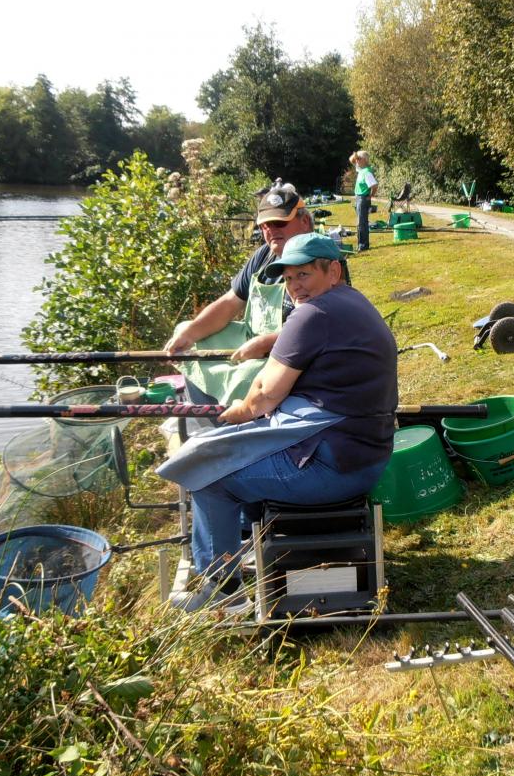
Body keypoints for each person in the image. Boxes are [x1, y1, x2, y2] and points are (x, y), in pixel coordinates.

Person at [157, 233, 397, 609]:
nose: (295, 287)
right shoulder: (351, 301)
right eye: (288, 279)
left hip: (336, 466)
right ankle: (245, 546)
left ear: (333, 271)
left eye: (304, 275)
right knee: (232, 454)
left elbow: (264, 395)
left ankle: (223, 592)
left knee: (209, 475)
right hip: (364, 451)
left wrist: (232, 415)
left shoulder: (313, 315)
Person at [163, 182, 314, 406]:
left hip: (289, 349)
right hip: (251, 336)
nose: (271, 230)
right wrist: (191, 333)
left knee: (247, 376)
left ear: (305, 222)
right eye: (265, 225)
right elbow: (229, 302)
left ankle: (230, 416)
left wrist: (266, 343)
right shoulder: (263, 255)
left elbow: (318, 325)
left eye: (280, 222)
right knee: (185, 333)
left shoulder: (320, 257)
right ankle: (213, 407)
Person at [350, 150, 377, 252]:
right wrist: (356, 155)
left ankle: (363, 245)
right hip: (359, 198)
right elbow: (351, 160)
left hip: (363, 198)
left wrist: (370, 196)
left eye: (359, 159)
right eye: (357, 159)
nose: (357, 161)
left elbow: (374, 186)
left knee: (362, 223)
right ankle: (361, 244)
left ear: (365, 160)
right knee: (360, 223)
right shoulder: (360, 169)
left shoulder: (366, 172)